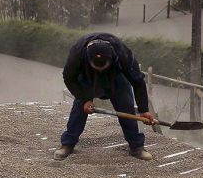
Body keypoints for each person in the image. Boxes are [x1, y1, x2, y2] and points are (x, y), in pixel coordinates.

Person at [55, 33, 154, 161]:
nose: (100, 70)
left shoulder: (122, 53)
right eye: (97, 67)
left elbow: (138, 81)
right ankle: (68, 143)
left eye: (103, 66)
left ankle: (136, 146)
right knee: (79, 108)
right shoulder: (78, 53)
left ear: (112, 57)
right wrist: (85, 99)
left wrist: (143, 109)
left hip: (117, 78)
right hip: (88, 78)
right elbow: (69, 78)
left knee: (126, 106)